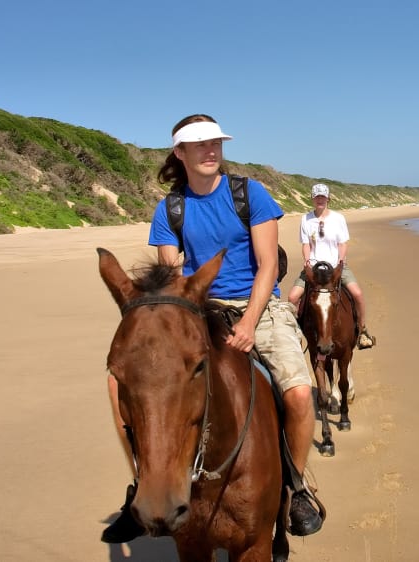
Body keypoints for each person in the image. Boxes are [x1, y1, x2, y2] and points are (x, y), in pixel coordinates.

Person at [101, 114, 323, 543]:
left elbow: (269, 266)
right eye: (199, 145)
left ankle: (294, 488)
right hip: (197, 308)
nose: (210, 151)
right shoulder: (170, 209)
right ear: (179, 154)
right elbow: (172, 279)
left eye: (215, 143)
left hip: (257, 305)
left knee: (297, 392)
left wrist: (249, 322)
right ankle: (142, 482)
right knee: (119, 385)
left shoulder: (249, 194)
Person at [286, 183, 377, 350]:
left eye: (323, 197)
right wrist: (307, 261)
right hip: (314, 267)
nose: (320, 200)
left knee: (357, 294)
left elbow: (343, 244)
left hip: (335, 266)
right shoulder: (305, 219)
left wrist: (340, 262)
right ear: (312, 199)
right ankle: (296, 333)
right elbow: (306, 244)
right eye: (317, 197)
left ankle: (362, 331)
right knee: (292, 298)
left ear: (328, 198)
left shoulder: (338, 218)